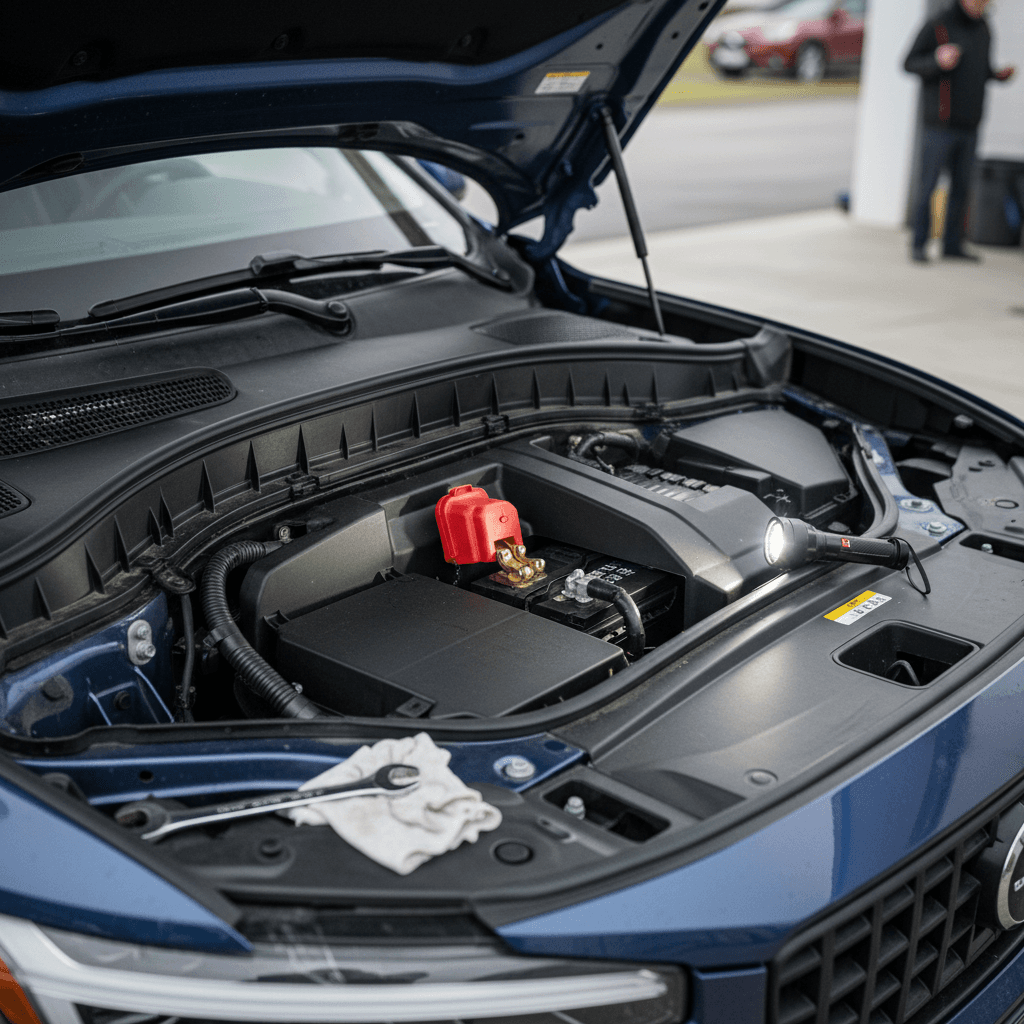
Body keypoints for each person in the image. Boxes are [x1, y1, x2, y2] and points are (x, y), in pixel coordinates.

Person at [904, 0, 1015, 263]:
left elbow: (980, 69)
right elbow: (909, 63)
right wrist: (936, 60)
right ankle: (920, 243)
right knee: (929, 185)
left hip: (970, 123)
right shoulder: (939, 25)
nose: (982, 5)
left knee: (962, 187)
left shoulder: (984, 28)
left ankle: (952, 245)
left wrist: (996, 75)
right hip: (940, 124)